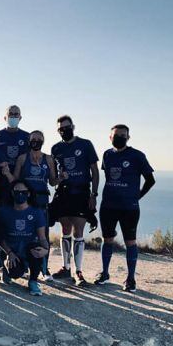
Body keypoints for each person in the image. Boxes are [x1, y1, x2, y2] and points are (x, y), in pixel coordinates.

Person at [94, 124, 155, 292]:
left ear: (128, 137)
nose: (119, 138)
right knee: (107, 239)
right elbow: (108, 176)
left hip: (129, 208)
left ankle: (130, 279)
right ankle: (105, 273)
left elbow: (150, 180)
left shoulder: (137, 156)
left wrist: (137, 196)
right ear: (110, 137)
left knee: (130, 242)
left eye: (122, 135)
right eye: (115, 135)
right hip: (108, 206)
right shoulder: (107, 154)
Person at [49, 115, 100, 287]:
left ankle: (78, 271)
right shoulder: (56, 148)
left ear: (73, 126)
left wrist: (94, 194)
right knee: (65, 229)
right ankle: (66, 267)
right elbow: (53, 179)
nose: (64, 130)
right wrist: (59, 179)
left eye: (67, 127)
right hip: (63, 193)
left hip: (82, 193)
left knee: (79, 231)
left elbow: (95, 171)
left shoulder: (85, 144)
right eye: (61, 129)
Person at [13, 130, 60, 279]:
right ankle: (24, 264)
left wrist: (61, 178)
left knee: (43, 234)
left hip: (42, 201)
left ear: (43, 140)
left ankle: (44, 269)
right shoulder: (22, 158)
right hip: (25, 200)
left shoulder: (48, 159)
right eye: (33, 138)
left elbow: (52, 181)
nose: (36, 141)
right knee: (24, 231)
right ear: (29, 140)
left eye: (39, 139)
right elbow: (15, 179)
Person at [0, 180, 49, 296]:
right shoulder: (3, 211)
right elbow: (0, 238)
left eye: (23, 192)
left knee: (37, 250)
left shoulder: (36, 212)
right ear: (12, 193)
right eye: (17, 192)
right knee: (15, 273)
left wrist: (45, 250)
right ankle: (6, 268)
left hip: (28, 249)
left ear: (29, 193)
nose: (20, 194)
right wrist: (9, 252)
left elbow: (42, 237)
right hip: (11, 250)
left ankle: (33, 281)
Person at [0, 105, 30, 205]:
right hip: (2, 183)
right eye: (10, 114)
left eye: (16, 114)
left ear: (20, 117)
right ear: (5, 117)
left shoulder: (27, 136)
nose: (13, 116)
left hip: (21, 184)